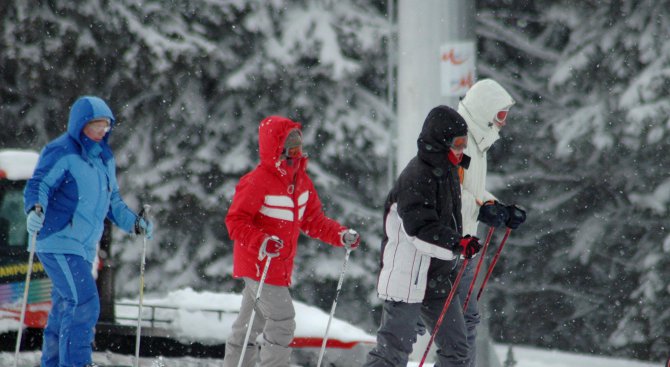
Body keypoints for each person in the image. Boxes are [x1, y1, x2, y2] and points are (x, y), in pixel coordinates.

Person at [24, 96, 154, 367]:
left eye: (106, 125)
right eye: (97, 124)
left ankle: (55, 362)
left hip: (83, 247)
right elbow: (40, 185)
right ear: (80, 124)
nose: (102, 130)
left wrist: (134, 223)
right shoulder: (62, 151)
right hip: (58, 240)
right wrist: (35, 209)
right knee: (84, 302)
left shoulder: (104, 159)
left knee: (64, 307)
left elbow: (113, 202)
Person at [223, 115, 360, 367]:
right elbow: (236, 221)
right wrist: (262, 241)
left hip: (278, 267)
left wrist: (340, 235)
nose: (297, 155)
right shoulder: (257, 181)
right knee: (282, 320)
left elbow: (313, 221)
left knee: (249, 326)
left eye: (299, 149)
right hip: (258, 264)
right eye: (291, 150)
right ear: (278, 150)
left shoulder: (301, 182)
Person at [363, 105, 483, 367]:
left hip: (437, 278)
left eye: (464, 143)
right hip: (408, 279)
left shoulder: (449, 170)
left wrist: (483, 216)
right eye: (457, 143)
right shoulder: (416, 177)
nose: (462, 149)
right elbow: (420, 230)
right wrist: (457, 244)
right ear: (440, 141)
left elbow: (451, 216)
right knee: (392, 354)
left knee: (458, 351)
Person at [452, 78, 527, 366]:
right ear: (484, 109)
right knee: (456, 319)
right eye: (500, 114)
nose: (504, 122)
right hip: (452, 243)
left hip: (466, 243)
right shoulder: (460, 141)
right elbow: (450, 190)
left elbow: (469, 188)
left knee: (465, 318)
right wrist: (481, 209)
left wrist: (496, 206)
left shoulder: (476, 143)